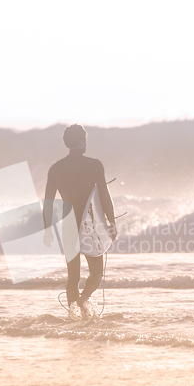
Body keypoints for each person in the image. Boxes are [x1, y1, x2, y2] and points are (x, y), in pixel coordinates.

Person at [43, 124, 117, 318]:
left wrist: (47, 230)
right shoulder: (94, 165)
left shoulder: (56, 169)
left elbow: (48, 203)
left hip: (68, 225)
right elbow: (104, 196)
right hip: (89, 225)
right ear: (82, 141)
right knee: (96, 274)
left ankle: (74, 317)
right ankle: (83, 300)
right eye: (86, 140)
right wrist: (111, 222)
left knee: (73, 277)